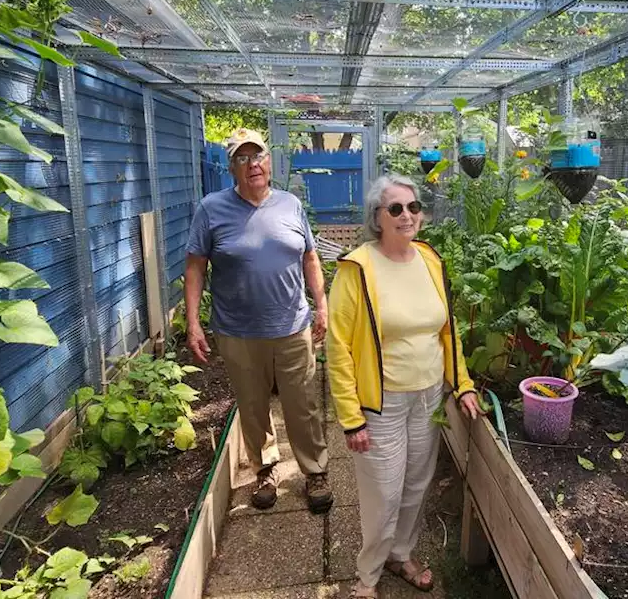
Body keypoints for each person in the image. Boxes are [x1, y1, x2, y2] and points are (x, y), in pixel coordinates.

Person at [327, 174, 484, 598]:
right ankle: (368, 576)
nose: (407, 215)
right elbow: (338, 346)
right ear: (377, 218)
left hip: (429, 395)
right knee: (383, 494)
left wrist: (463, 385)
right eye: (395, 208)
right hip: (381, 403)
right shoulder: (357, 268)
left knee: (417, 483)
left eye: (413, 207)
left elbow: (447, 331)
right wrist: (350, 417)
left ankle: (402, 554)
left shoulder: (430, 259)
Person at [184, 127, 332, 514]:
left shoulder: (289, 204)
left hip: (292, 326)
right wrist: (193, 322)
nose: (253, 165)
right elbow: (196, 266)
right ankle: (265, 469)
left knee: (303, 404)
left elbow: (310, 258)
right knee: (252, 407)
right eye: (242, 158)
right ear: (231, 167)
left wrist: (322, 304)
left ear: (269, 161)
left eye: (259, 156)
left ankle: (315, 471)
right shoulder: (211, 209)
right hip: (238, 331)